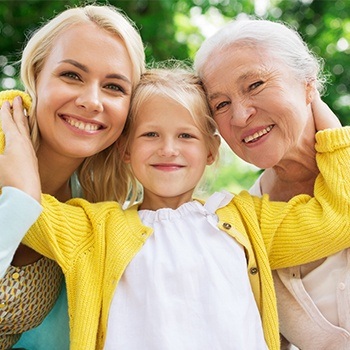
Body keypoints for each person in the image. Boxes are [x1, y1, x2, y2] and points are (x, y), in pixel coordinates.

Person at [1, 66, 350, 350]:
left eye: (186, 136)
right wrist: (13, 109)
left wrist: (332, 134)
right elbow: (23, 201)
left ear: (211, 150)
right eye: (150, 135)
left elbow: (336, 219)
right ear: (125, 150)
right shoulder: (94, 231)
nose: (168, 149)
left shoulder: (249, 219)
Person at [194, 17, 348, 349]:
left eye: (255, 84)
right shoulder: (243, 227)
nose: (239, 116)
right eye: (221, 104)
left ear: (308, 84)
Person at [0, 4, 145, 349]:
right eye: (72, 75)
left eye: (113, 87)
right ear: (37, 74)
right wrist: (19, 200)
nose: (91, 101)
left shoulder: (91, 207)